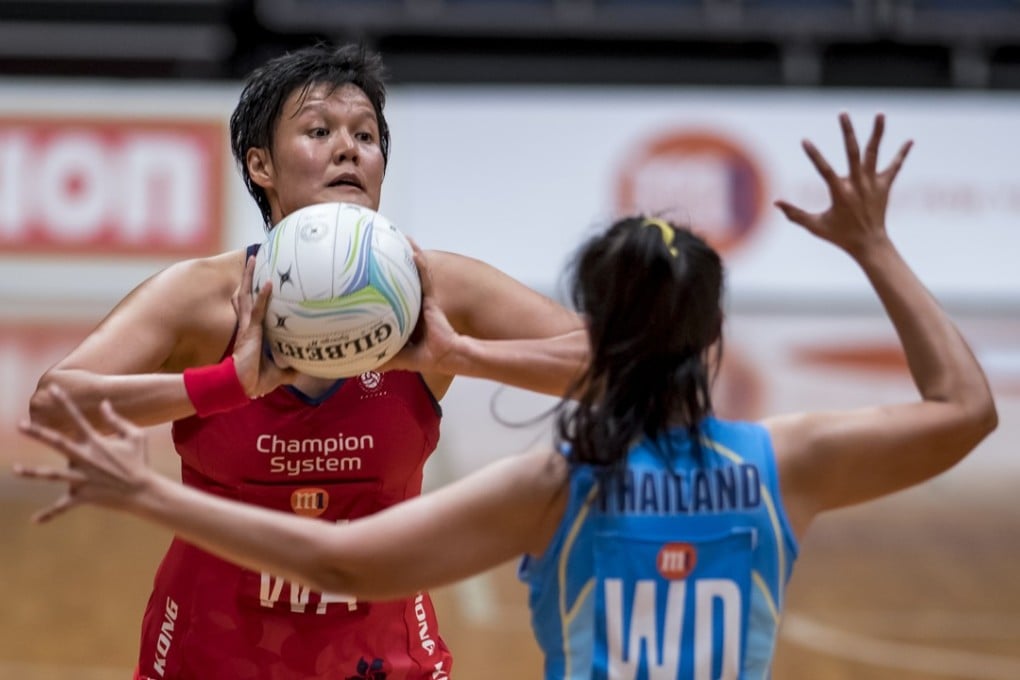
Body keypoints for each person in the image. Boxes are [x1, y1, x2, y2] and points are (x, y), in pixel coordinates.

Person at [18, 113, 997, 677]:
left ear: (599, 329)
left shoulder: (559, 483)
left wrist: (147, 493)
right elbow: (965, 409)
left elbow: (343, 563)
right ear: (711, 339)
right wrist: (875, 249)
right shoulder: (782, 462)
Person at [25, 43, 586, 680]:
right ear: (260, 164)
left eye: (366, 135)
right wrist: (221, 385)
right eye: (319, 131)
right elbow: (54, 405)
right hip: (210, 652)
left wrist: (463, 354)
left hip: (384, 656)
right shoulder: (200, 299)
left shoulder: (438, 292)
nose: (349, 148)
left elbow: (626, 365)